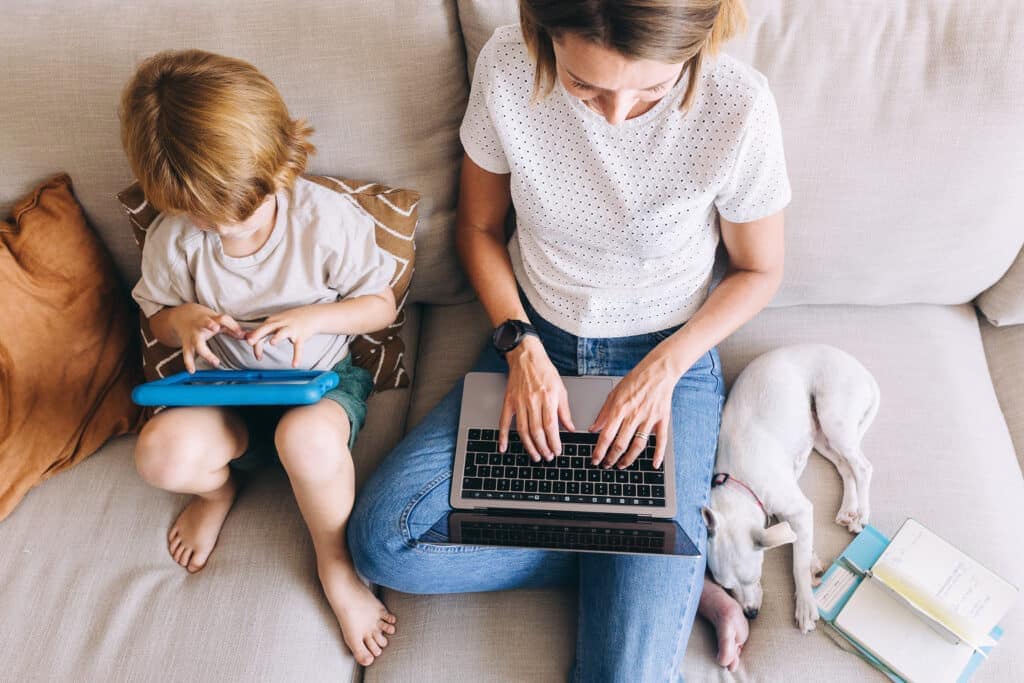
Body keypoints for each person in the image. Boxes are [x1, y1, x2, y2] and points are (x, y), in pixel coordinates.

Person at [349, 0, 790, 677]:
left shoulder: (738, 106)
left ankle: (649, 568)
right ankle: (647, 562)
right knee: (384, 541)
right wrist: (519, 344)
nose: (614, 114)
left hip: (668, 355)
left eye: (650, 88)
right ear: (544, 36)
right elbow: (477, 229)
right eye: (586, 86)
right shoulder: (507, 67)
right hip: (534, 339)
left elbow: (759, 270)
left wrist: (663, 369)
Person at [122, 50, 398, 666]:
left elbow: (379, 305)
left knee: (306, 443)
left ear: (279, 164)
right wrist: (184, 320)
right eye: (201, 218)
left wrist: (314, 318)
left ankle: (334, 563)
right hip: (225, 395)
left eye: (240, 215)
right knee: (159, 454)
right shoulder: (177, 240)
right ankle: (216, 494)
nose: (222, 234)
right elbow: (158, 317)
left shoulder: (324, 221)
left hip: (318, 386)